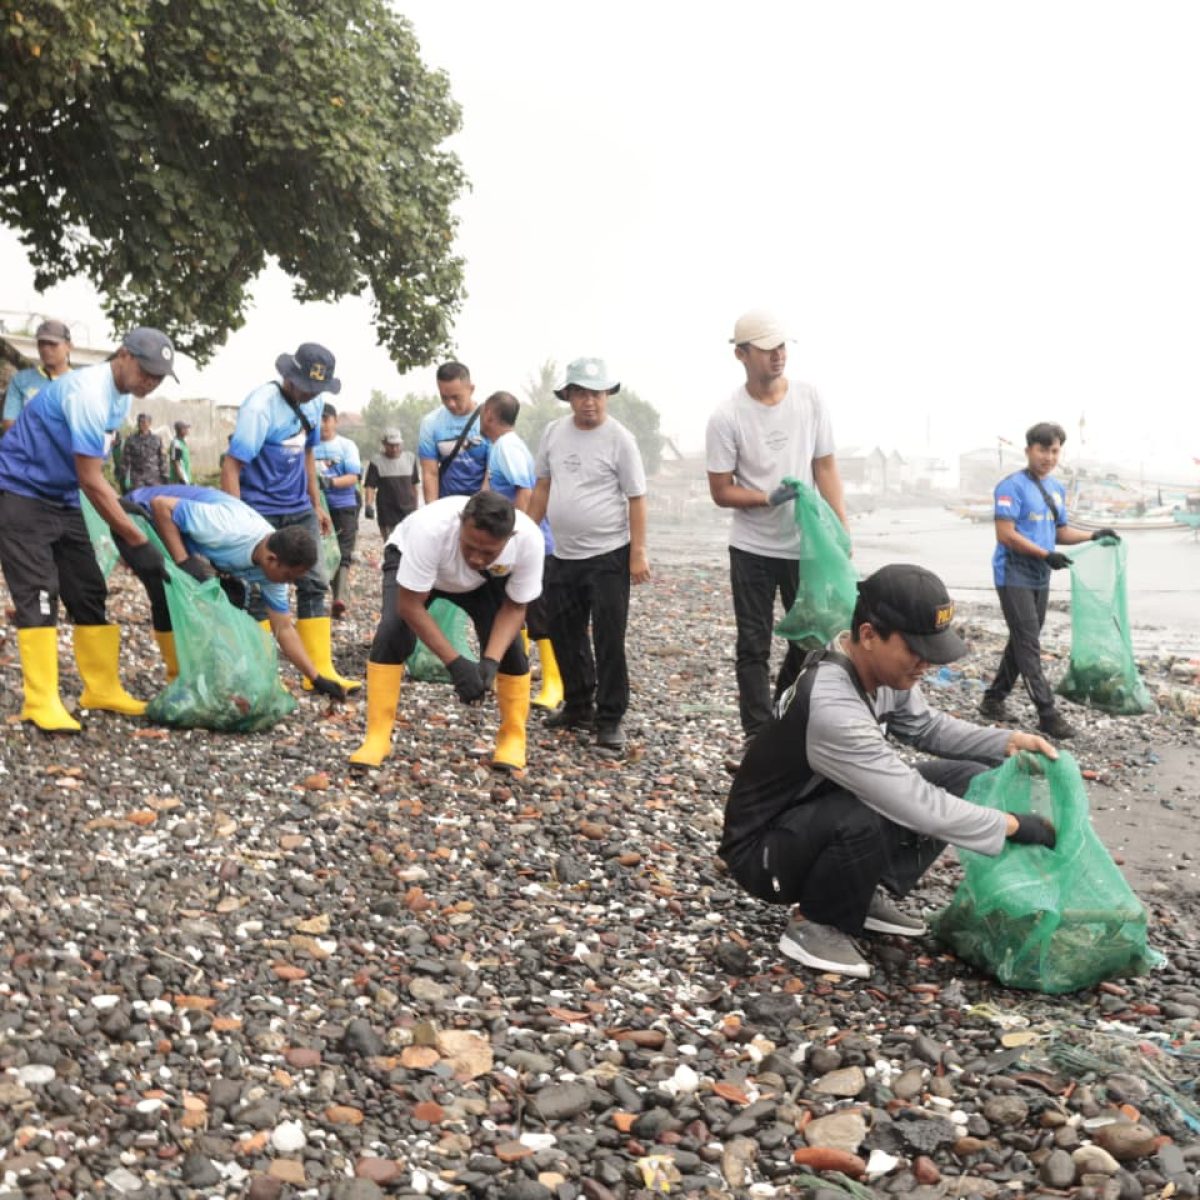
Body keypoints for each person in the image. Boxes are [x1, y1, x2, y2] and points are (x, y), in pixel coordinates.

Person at [720, 563, 1061, 979]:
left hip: (810, 816)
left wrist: (1005, 742)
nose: (925, 665)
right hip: (763, 854)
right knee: (871, 811)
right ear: (868, 634)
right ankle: (816, 922)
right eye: (916, 650)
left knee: (963, 777)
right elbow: (915, 803)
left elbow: (926, 726)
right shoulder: (833, 706)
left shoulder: (878, 671)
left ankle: (860, 893)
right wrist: (1011, 825)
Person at [0, 328, 176, 731]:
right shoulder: (88, 392)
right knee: (40, 593)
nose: (152, 380)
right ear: (124, 355)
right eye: (148, 370)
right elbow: (90, 480)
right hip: (22, 492)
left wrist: (122, 508)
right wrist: (136, 538)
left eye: (160, 376)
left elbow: (95, 471)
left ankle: (101, 688)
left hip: (61, 497)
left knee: (88, 589)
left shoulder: (123, 395)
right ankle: (41, 701)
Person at [706, 309, 849, 745]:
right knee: (753, 642)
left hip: (804, 545)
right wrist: (765, 498)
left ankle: (784, 713)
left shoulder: (809, 399)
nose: (778, 356)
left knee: (811, 637)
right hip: (751, 547)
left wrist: (840, 532)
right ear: (741, 354)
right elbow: (720, 490)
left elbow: (824, 466)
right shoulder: (727, 416)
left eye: (782, 347)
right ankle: (756, 731)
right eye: (767, 350)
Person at [349, 491, 543, 772]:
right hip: (416, 563)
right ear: (460, 525)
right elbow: (410, 606)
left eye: (488, 552)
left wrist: (490, 661)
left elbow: (514, 608)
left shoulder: (529, 541)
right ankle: (377, 737)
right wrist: (455, 663)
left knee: (511, 648)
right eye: (470, 546)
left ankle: (513, 738)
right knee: (392, 633)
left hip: (480, 584)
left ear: (508, 539)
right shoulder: (431, 531)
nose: (477, 558)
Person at [221, 342, 359, 692]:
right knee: (257, 590)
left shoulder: (312, 405)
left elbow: (308, 455)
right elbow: (232, 465)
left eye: (317, 388)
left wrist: (316, 504)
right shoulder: (260, 407)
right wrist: (237, 520)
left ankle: (319, 670)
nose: (310, 393)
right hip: (259, 510)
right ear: (288, 375)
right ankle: (261, 672)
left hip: (298, 507)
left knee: (314, 583)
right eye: (304, 385)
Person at [122, 484, 347, 698]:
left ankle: (195, 679)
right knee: (167, 594)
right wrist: (183, 562)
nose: (288, 583)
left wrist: (316, 678)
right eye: (289, 577)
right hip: (139, 514)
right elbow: (161, 505)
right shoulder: (227, 529)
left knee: (216, 601)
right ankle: (180, 684)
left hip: (178, 531)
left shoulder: (273, 571)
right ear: (272, 560)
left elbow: (284, 628)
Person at [528, 357, 650, 751]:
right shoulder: (552, 433)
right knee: (564, 631)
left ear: (607, 395)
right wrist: (528, 535)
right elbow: (543, 487)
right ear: (568, 395)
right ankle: (579, 703)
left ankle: (610, 717)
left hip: (610, 553)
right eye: (581, 393)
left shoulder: (620, 439)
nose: (590, 402)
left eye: (596, 394)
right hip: (563, 554)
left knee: (610, 637)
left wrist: (639, 552)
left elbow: (636, 497)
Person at [980, 422, 1117, 739]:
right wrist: (1045, 555)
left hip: (1040, 576)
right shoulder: (1010, 487)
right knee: (1029, 642)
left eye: (1055, 450)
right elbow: (1005, 535)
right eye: (1043, 449)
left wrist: (1094, 535)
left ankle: (993, 699)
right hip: (1013, 574)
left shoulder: (1055, 488)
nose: (1049, 456)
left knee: (1021, 639)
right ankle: (1047, 713)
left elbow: (1059, 533)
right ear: (1029, 450)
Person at [479, 390, 562, 710]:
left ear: (489, 413)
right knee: (516, 610)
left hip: (531, 544)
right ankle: (519, 673)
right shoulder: (504, 446)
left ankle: (555, 683)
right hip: (519, 542)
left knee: (538, 614)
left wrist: (519, 538)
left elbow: (524, 493)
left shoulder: (507, 447)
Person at [314, 403, 363, 619]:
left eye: (327, 419)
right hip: (316, 508)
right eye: (319, 419)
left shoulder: (346, 446)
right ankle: (317, 596)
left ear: (335, 421)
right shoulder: (310, 446)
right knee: (320, 551)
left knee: (343, 552)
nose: (323, 424)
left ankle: (339, 597)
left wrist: (330, 483)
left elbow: (353, 477)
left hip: (343, 506)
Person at [418, 361, 488, 503]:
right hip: (446, 503)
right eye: (444, 397)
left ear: (471, 389)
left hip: (481, 502)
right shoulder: (431, 423)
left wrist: (481, 508)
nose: (451, 403)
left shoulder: (488, 420)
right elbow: (430, 473)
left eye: (456, 397)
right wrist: (431, 509)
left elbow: (492, 471)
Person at [3, 319, 73, 432]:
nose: (45, 349)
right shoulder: (21, 380)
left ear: (69, 347)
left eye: (52, 344)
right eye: (41, 344)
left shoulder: (80, 383)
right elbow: (9, 424)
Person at [364, 428, 419, 542]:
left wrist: (416, 507)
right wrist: (369, 505)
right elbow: (370, 486)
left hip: (408, 510)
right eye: (391, 445)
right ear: (384, 444)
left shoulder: (410, 459)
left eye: (397, 445)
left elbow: (414, 485)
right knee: (390, 543)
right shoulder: (376, 462)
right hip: (387, 512)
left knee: (409, 542)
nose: (394, 449)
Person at [122, 411, 167, 492]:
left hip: (154, 478)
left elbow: (162, 459)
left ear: (149, 423)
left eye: (144, 422)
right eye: (139, 421)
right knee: (138, 502)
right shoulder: (131, 439)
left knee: (154, 500)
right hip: (137, 478)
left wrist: (165, 476)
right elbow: (126, 460)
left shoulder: (157, 439)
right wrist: (124, 477)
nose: (141, 424)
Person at [169, 420, 192, 484]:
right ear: (180, 430)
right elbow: (176, 462)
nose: (187, 430)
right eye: (185, 428)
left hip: (185, 478)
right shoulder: (176, 444)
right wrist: (182, 479)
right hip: (179, 481)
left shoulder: (182, 442)